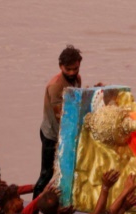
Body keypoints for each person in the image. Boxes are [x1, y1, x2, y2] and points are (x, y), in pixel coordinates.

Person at [34, 45, 83, 197]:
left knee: (65, 170)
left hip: (65, 133)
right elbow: (61, 116)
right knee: (46, 174)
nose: (72, 72)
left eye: (75, 68)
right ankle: (33, 211)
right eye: (68, 69)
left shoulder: (76, 79)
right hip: (52, 135)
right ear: (60, 66)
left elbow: (76, 101)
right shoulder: (56, 86)